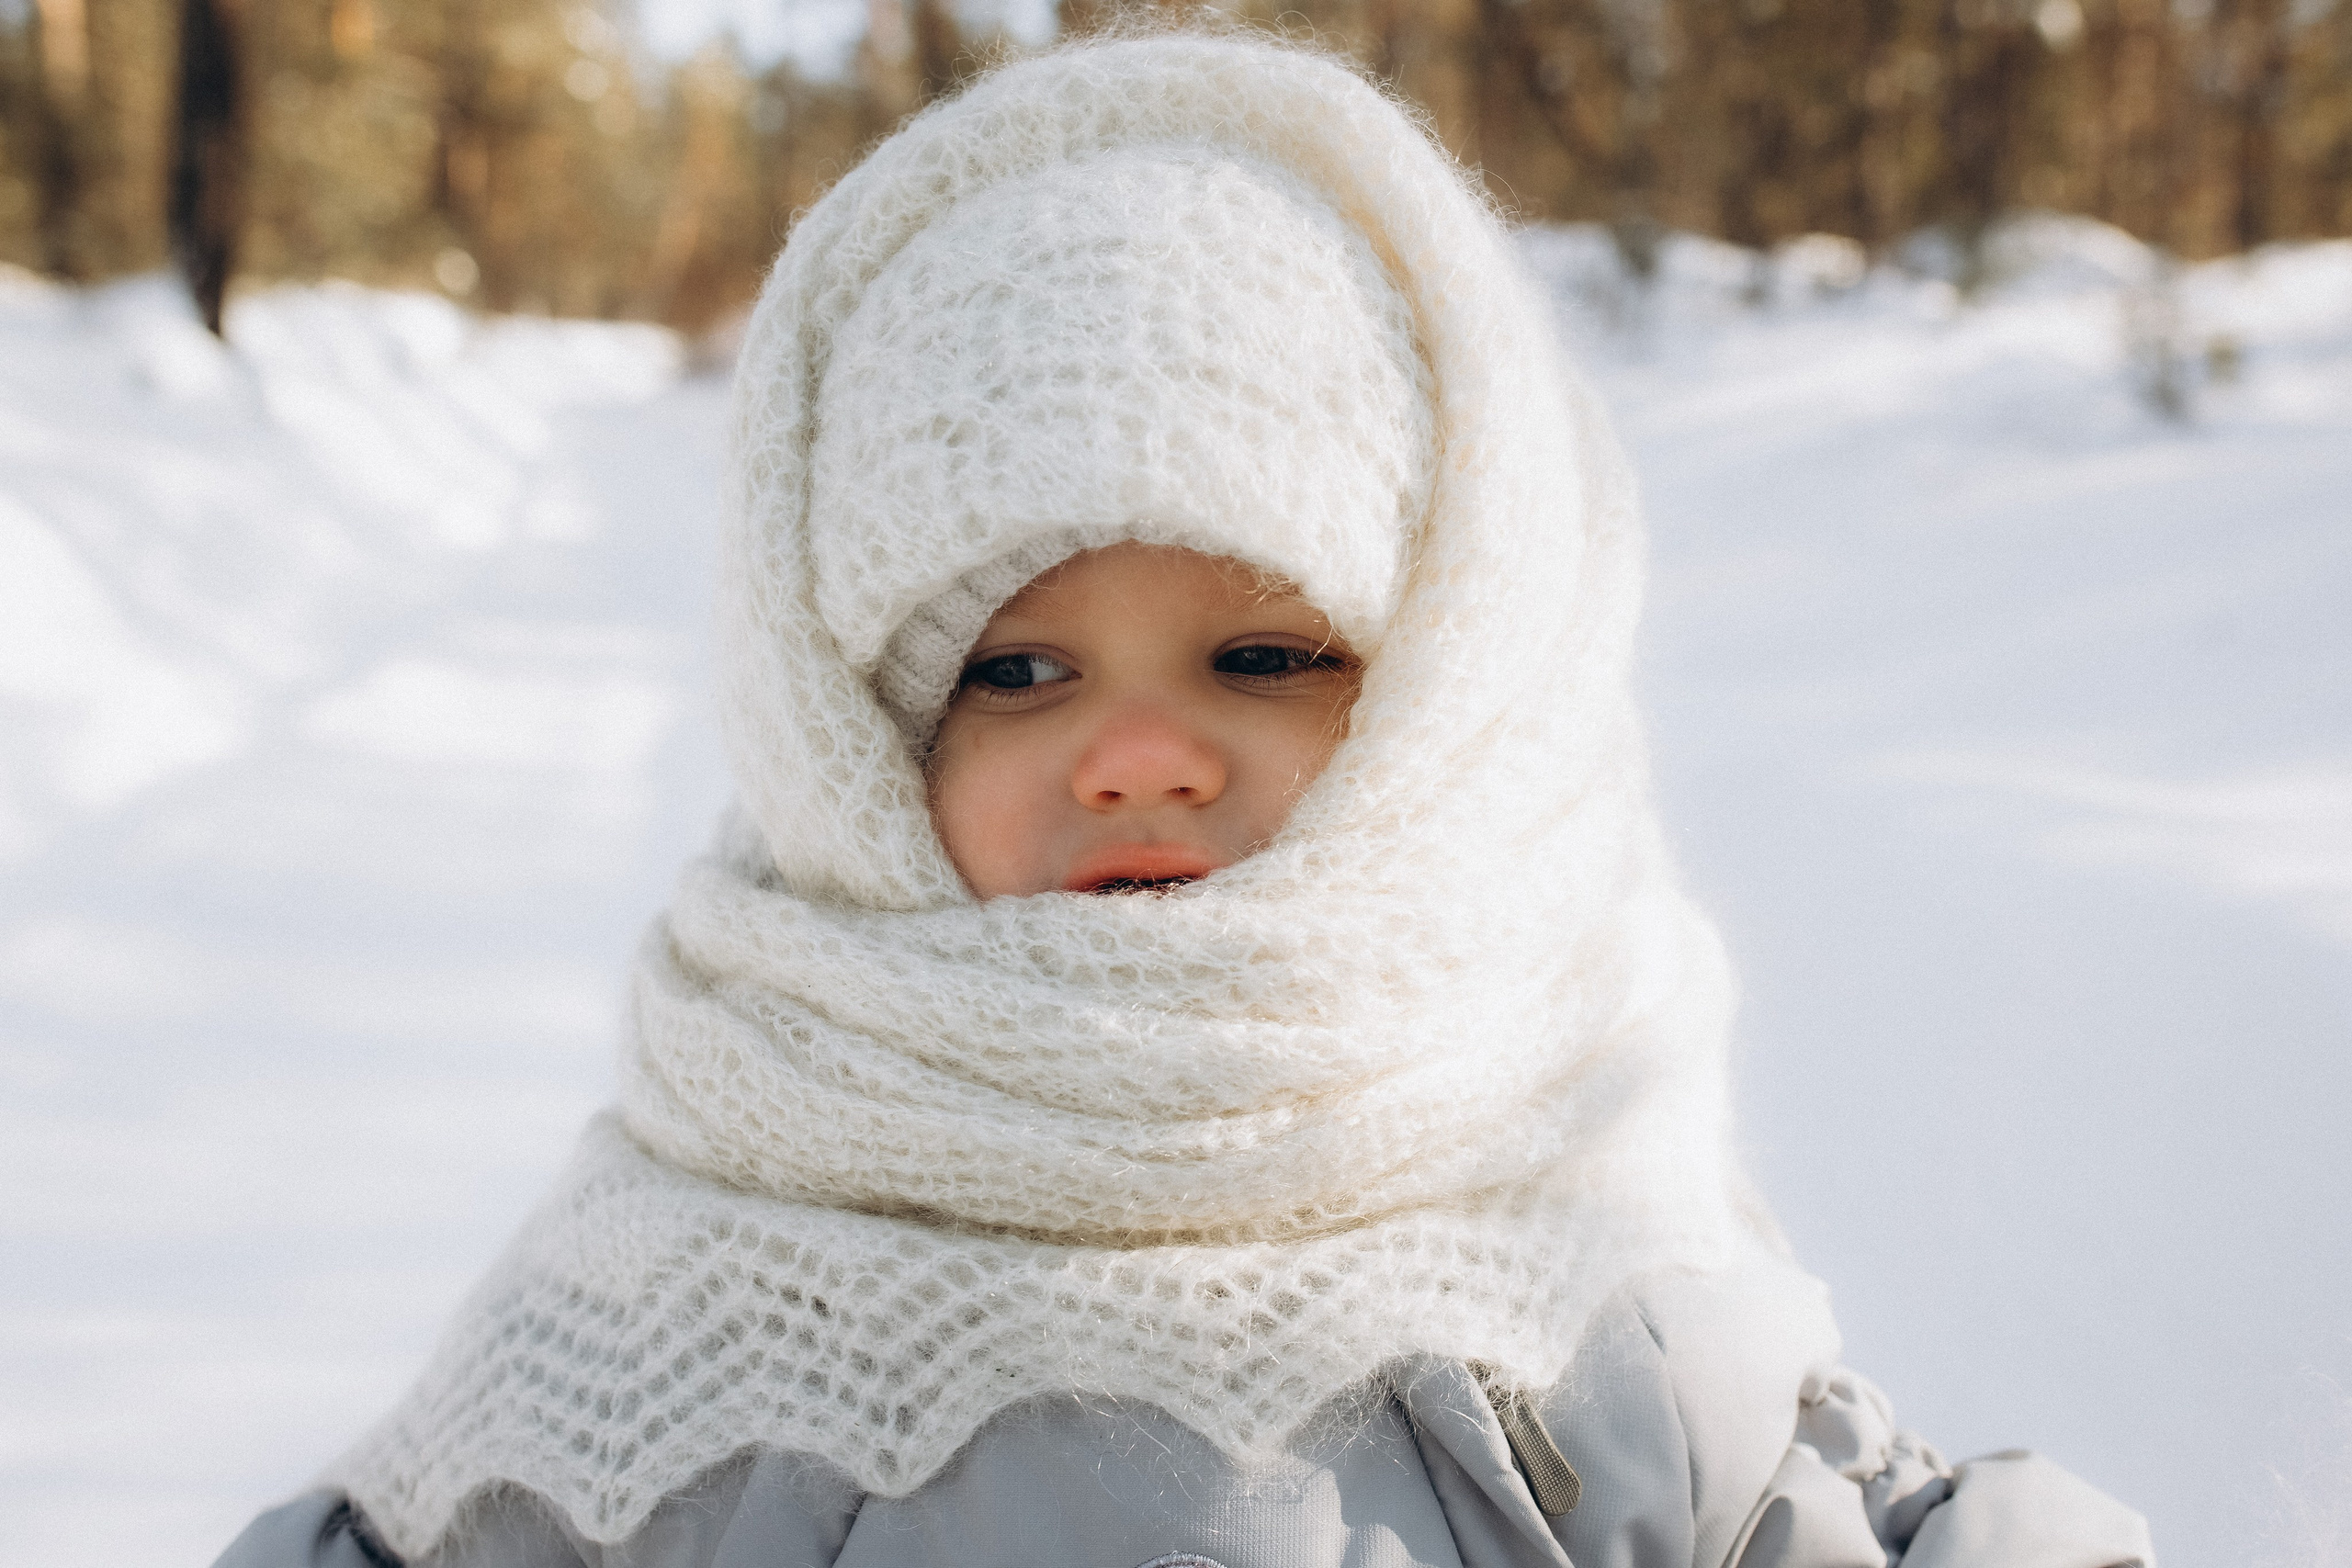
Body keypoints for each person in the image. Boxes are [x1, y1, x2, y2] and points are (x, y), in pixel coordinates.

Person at [213, 27, 2156, 1568]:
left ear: (1446, 701)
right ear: (853, 746)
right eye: (1015, 670)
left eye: (1265, 654)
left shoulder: (1581, 1250)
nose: (1134, 751)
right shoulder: (671, 1270)